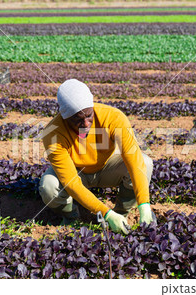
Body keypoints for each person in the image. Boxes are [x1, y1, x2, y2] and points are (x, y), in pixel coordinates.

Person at [39, 79, 155, 234]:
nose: (86, 124)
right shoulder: (53, 133)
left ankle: (121, 214)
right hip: (77, 172)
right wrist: (106, 213)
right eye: (77, 119)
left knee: (145, 163)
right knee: (49, 187)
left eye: (88, 115)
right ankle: (72, 218)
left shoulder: (113, 117)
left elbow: (134, 161)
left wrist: (144, 205)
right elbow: (72, 182)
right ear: (64, 115)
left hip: (107, 167)